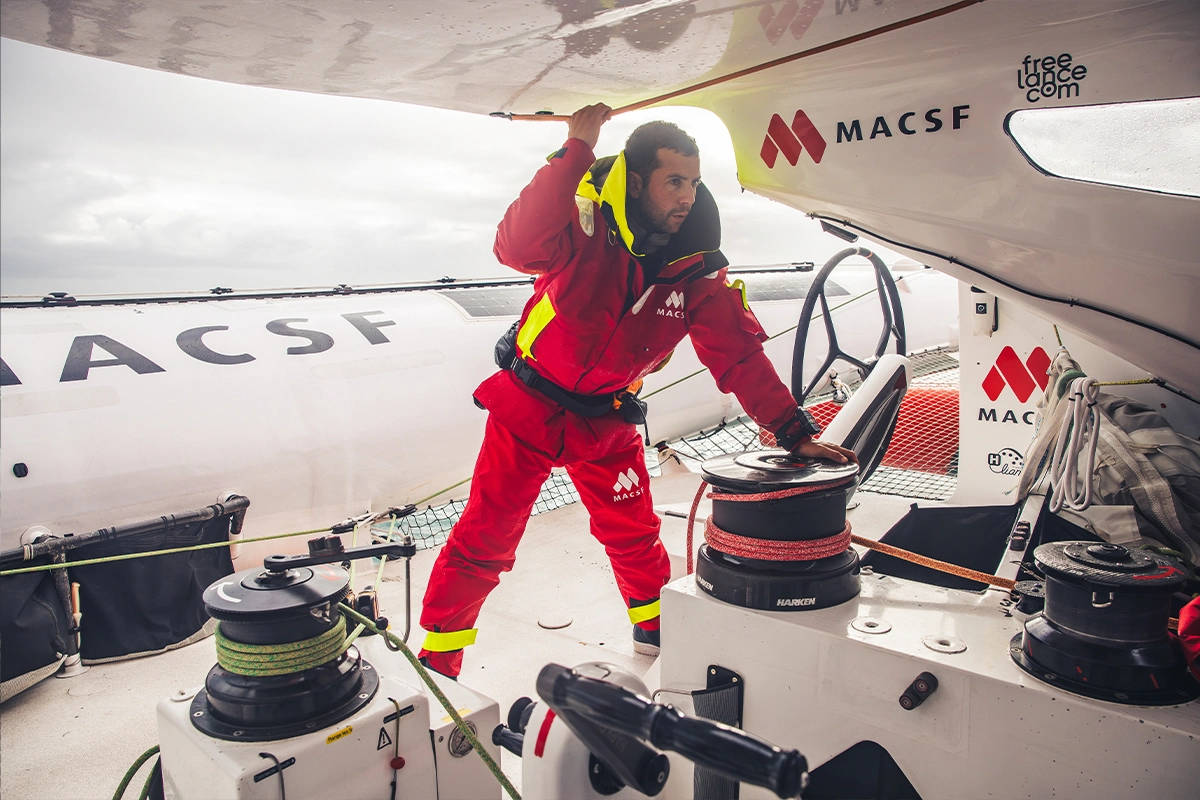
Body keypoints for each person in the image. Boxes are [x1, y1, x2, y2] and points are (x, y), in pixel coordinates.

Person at [417, 104, 856, 678]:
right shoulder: (583, 227)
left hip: (607, 422)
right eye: (674, 180)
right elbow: (515, 246)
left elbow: (739, 355)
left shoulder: (698, 273)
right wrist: (576, 148)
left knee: (634, 536)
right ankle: (439, 660)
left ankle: (655, 632)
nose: (686, 197)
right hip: (530, 407)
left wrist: (794, 433)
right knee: (486, 539)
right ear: (636, 177)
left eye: (694, 184)